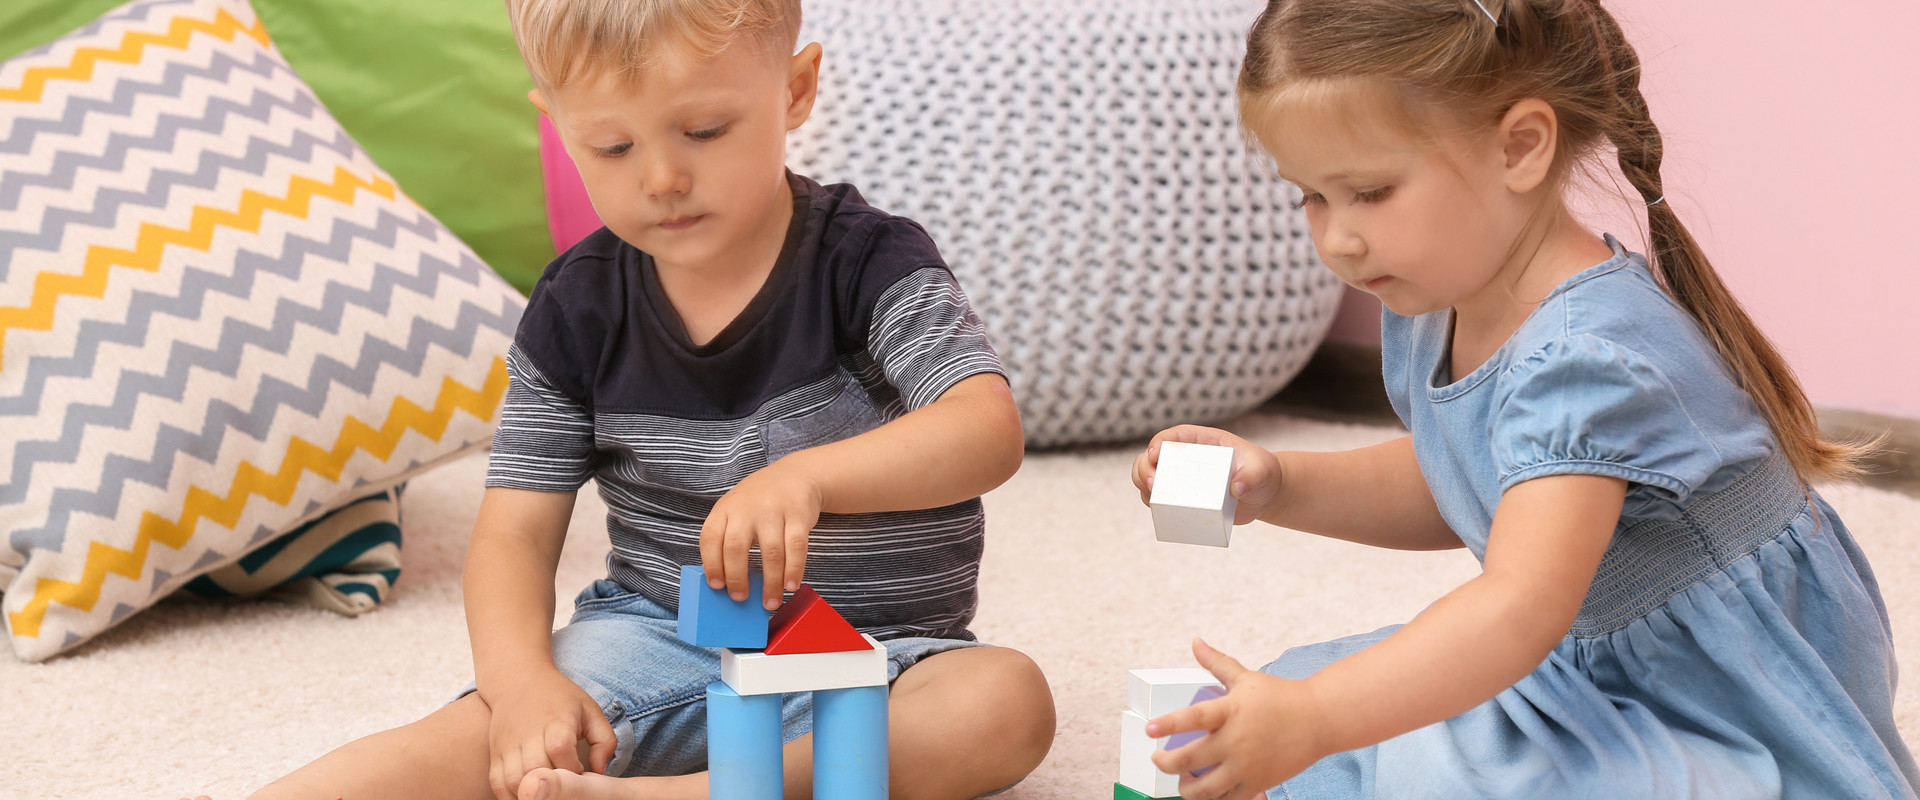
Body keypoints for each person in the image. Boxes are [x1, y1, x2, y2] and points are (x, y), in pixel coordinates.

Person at [225, 1, 1055, 798]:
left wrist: (807, 479)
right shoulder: (576, 309)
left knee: (1001, 706)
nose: (663, 177)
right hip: (659, 634)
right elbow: (513, 532)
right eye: (613, 147)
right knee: (482, 739)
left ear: (796, 90)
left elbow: (985, 429)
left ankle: (690, 794)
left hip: (881, 656)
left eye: (704, 131)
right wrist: (519, 687)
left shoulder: (869, 259)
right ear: (556, 126)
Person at [1129, 1, 1919, 797]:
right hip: (1585, 665)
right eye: (1309, 197)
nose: (1338, 239)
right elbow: (1465, 477)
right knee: (1304, 708)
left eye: (1369, 191)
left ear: (1521, 148)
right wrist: (1284, 484)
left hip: (1720, 708)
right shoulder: (1434, 296)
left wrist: (1313, 718)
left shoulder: (1588, 359)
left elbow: (1517, 608)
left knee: (1375, 747)